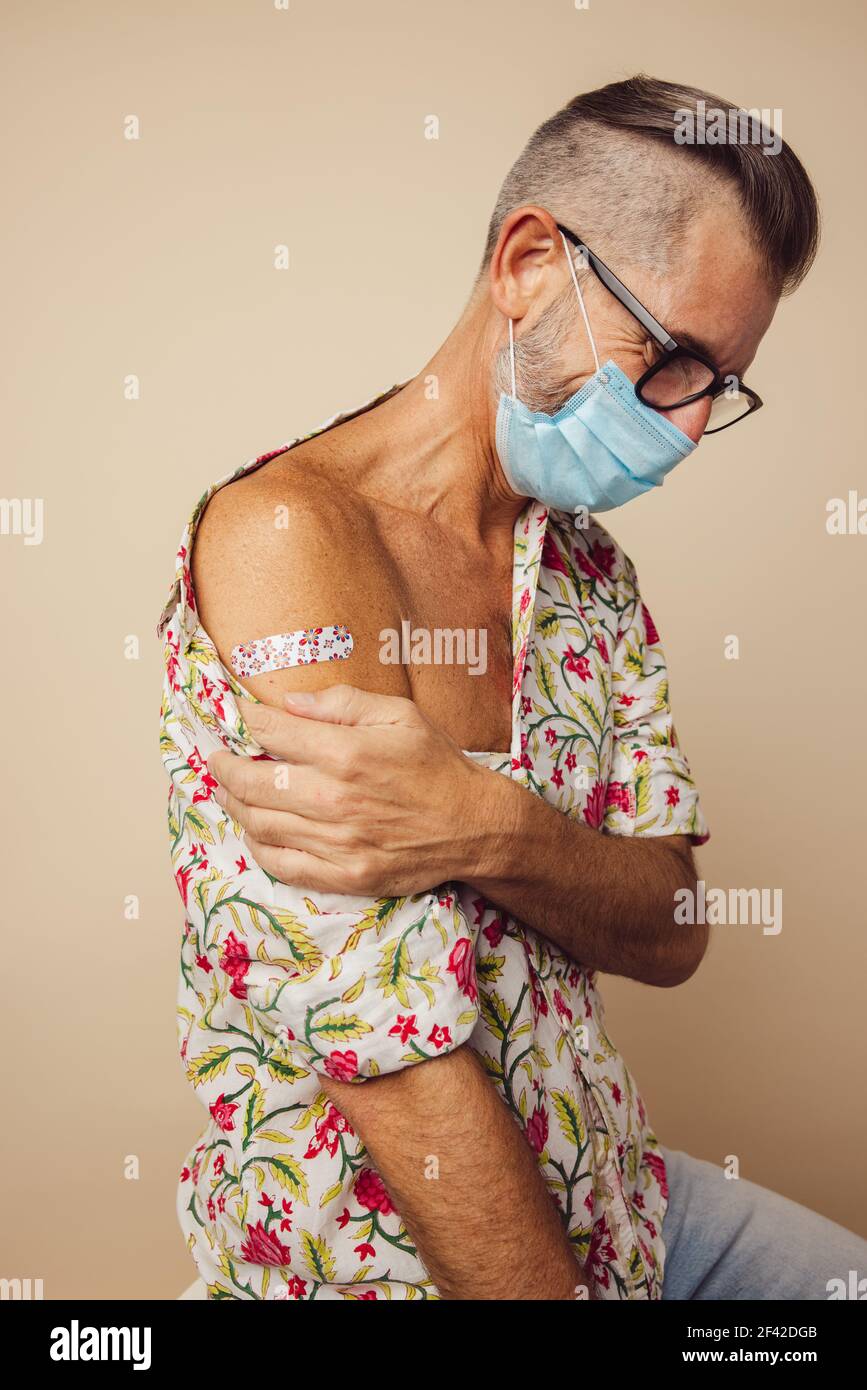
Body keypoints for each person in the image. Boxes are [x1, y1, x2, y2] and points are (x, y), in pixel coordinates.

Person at [159, 74, 865, 1299]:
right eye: (677, 358)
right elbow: (388, 1058)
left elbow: (674, 924)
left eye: (722, 386)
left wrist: (480, 820)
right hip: (406, 1259)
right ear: (531, 263)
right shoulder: (291, 540)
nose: (691, 428)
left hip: (625, 1196)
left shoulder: (590, 574)